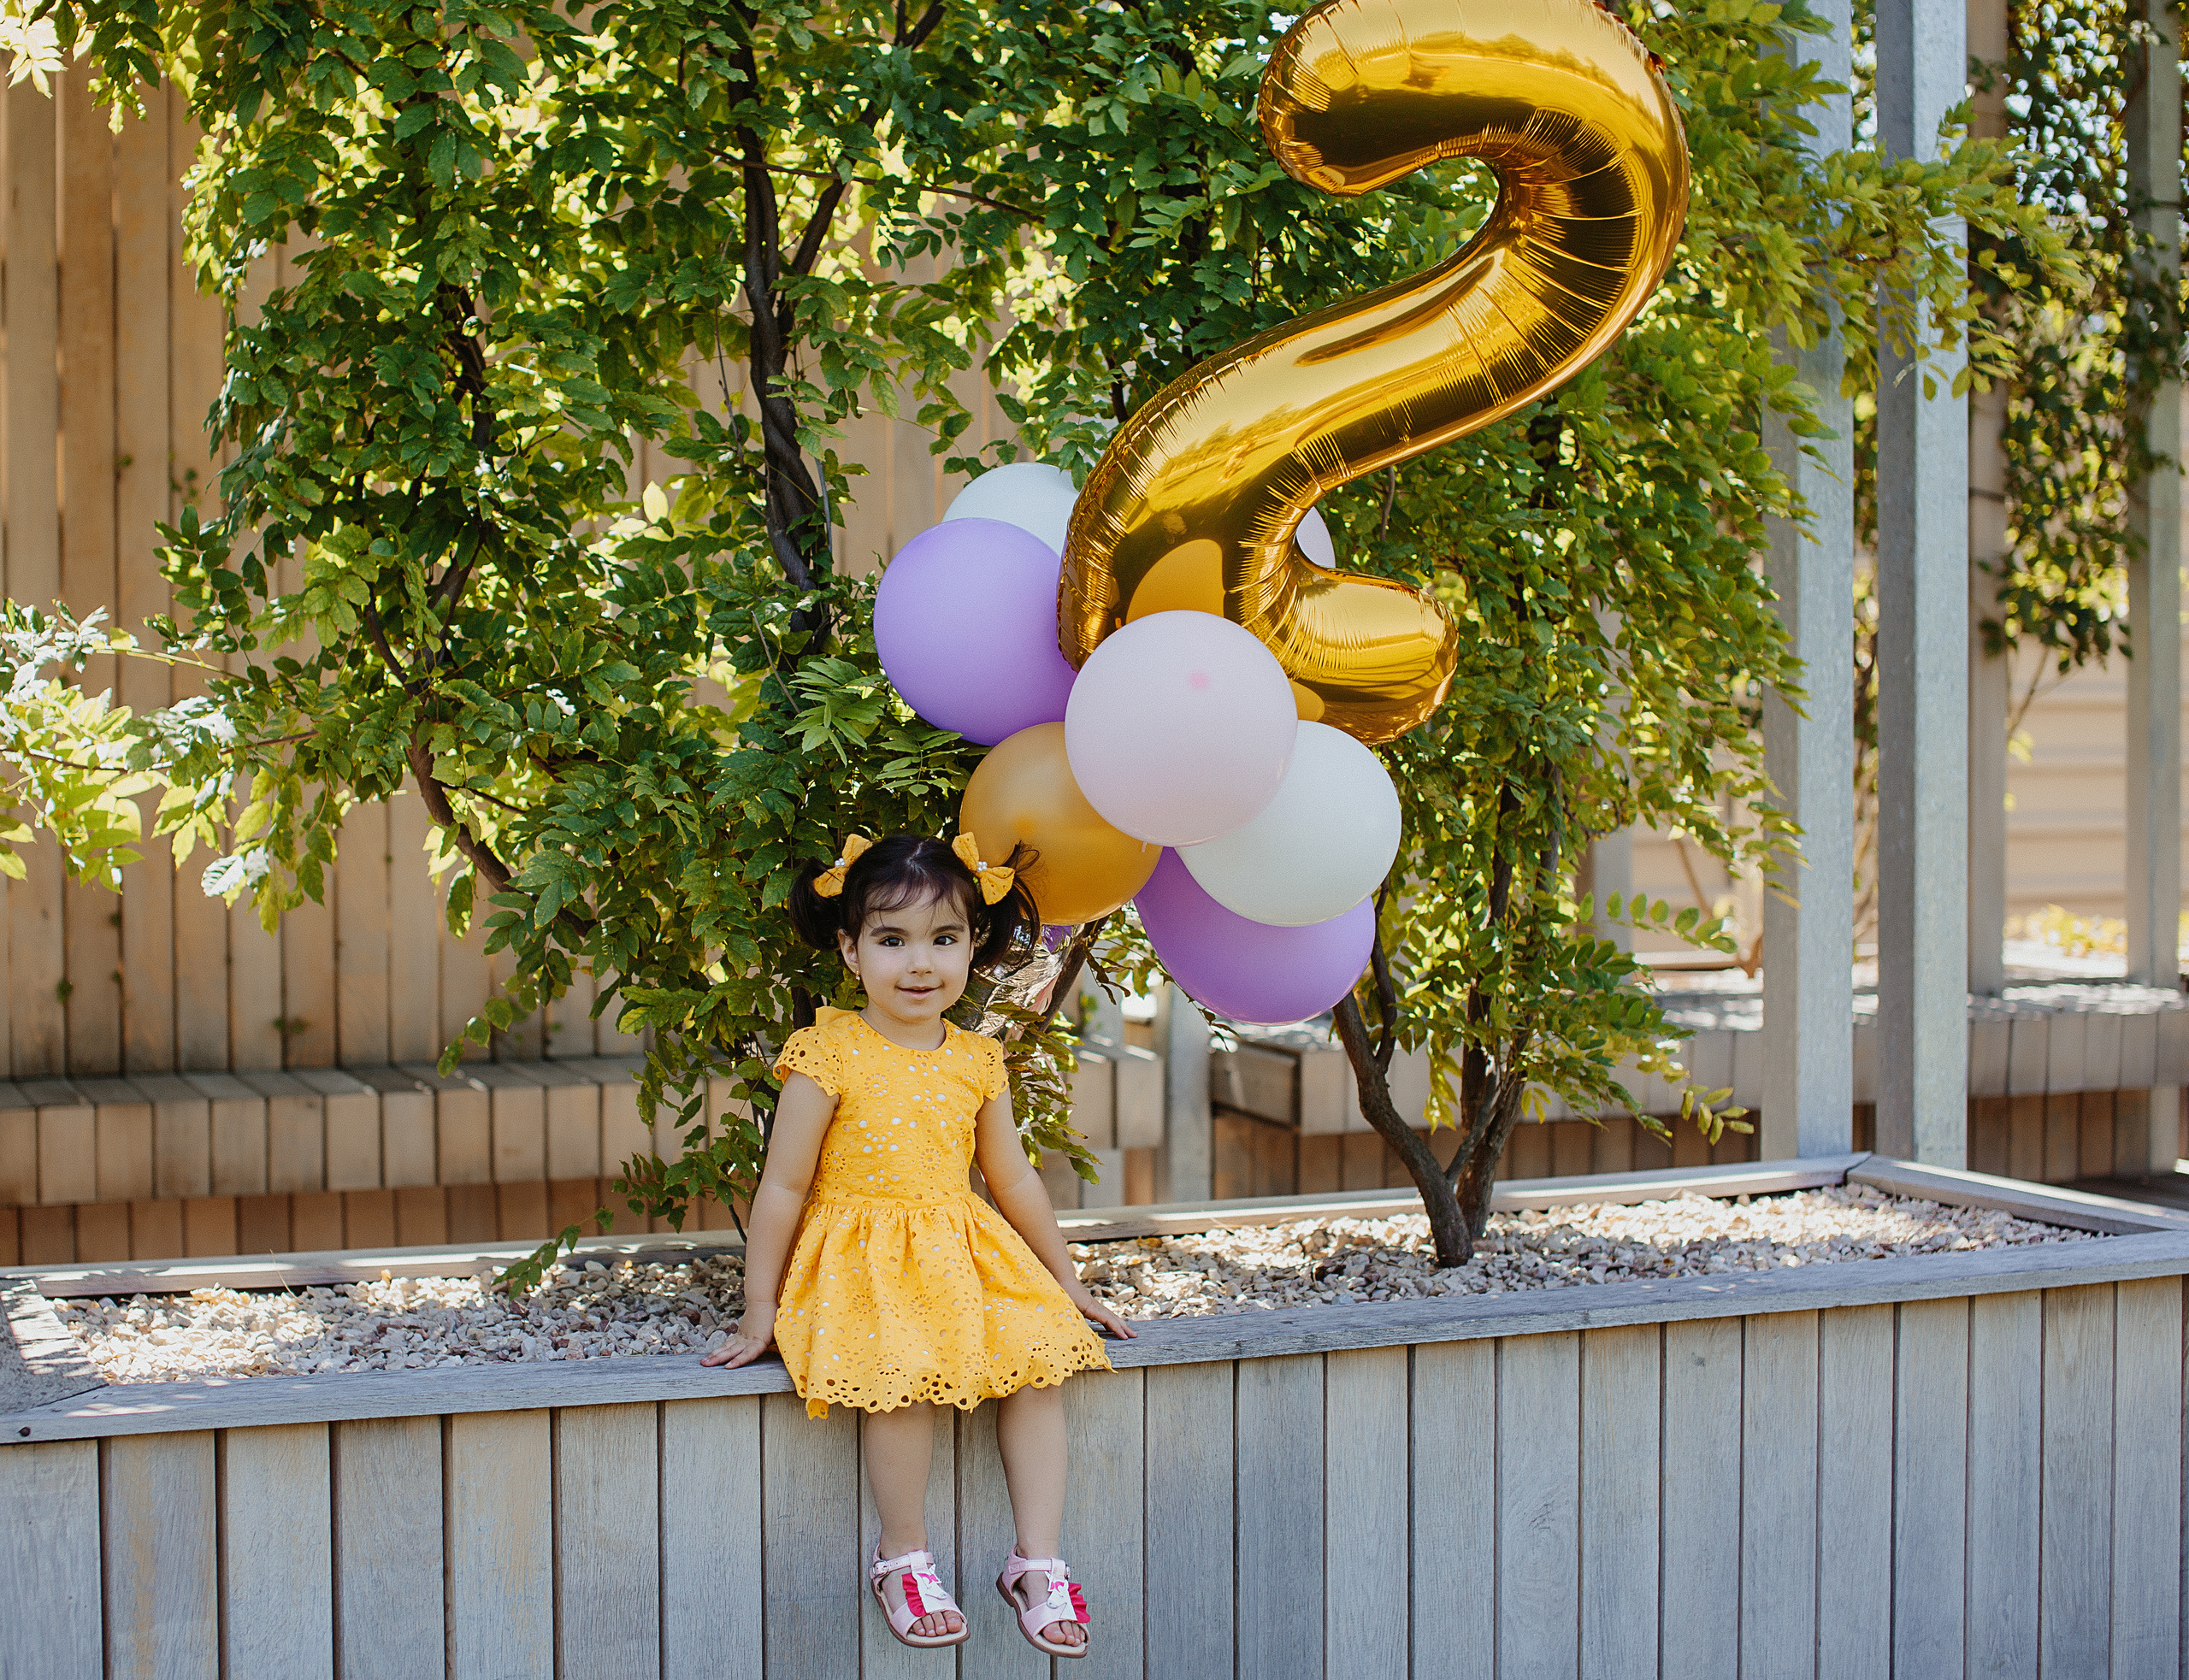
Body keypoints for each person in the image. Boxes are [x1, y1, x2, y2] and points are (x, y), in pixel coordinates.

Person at [704, 830, 1134, 1657]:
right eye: (892, 940)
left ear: (973, 945)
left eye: (943, 938)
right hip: (861, 1256)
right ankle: (902, 1556)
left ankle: (1036, 1561)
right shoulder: (828, 1052)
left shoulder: (977, 1059)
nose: (920, 963)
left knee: (1043, 1355)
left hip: (959, 1246)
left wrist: (1068, 1281)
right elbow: (783, 1186)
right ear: (850, 949)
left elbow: (1014, 1180)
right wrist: (760, 1308)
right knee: (900, 1374)